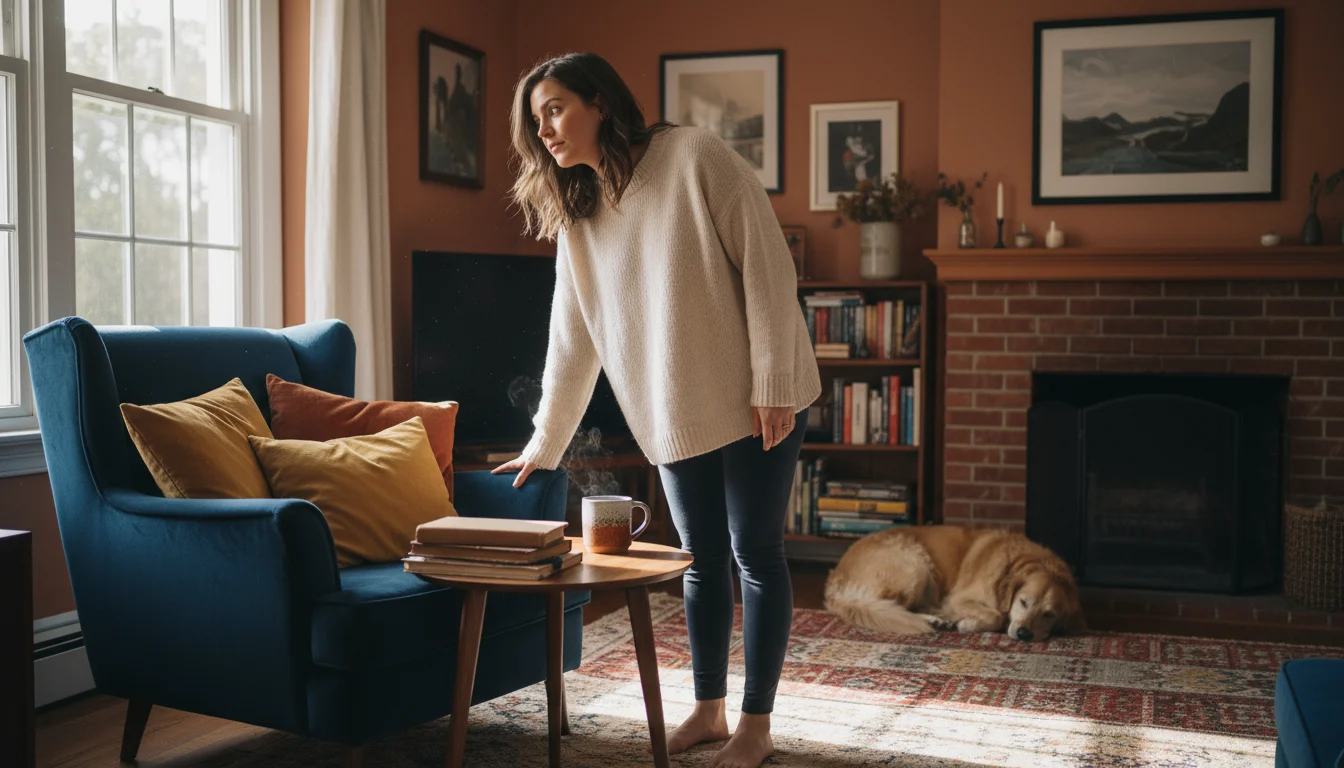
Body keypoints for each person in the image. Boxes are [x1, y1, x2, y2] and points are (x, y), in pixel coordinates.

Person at [491, 52, 821, 768]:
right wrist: (546, 440)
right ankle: (708, 711)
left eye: (553, 109)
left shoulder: (693, 155)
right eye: (535, 119)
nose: (544, 130)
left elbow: (769, 264)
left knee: (755, 553)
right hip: (674, 405)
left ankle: (756, 726)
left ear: (600, 102)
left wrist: (772, 379)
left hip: (759, 392)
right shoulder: (578, 213)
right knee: (700, 559)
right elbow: (571, 338)